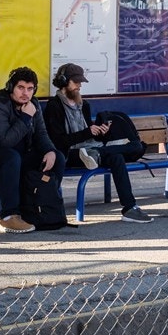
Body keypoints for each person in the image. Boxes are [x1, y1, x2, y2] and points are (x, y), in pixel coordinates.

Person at [41, 63, 153, 223]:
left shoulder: (83, 105)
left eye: (80, 82)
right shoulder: (54, 106)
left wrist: (101, 132)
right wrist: (88, 132)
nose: (79, 86)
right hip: (70, 153)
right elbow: (58, 141)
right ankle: (98, 154)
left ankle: (129, 208)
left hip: (91, 151)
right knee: (120, 153)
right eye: (76, 82)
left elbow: (90, 136)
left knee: (126, 152)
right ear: (64, 81)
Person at [0, 66, 65, 233]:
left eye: (30, 89)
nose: (25, 93)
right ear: (11, 87)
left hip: (14, 154)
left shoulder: (33, 104)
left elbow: (41, 133)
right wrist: (25, 117)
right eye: (20, 87)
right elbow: (5, 141)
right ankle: (9, 217)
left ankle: (41, 207)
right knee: (11, 157)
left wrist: (50, 150)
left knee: (57, 158)